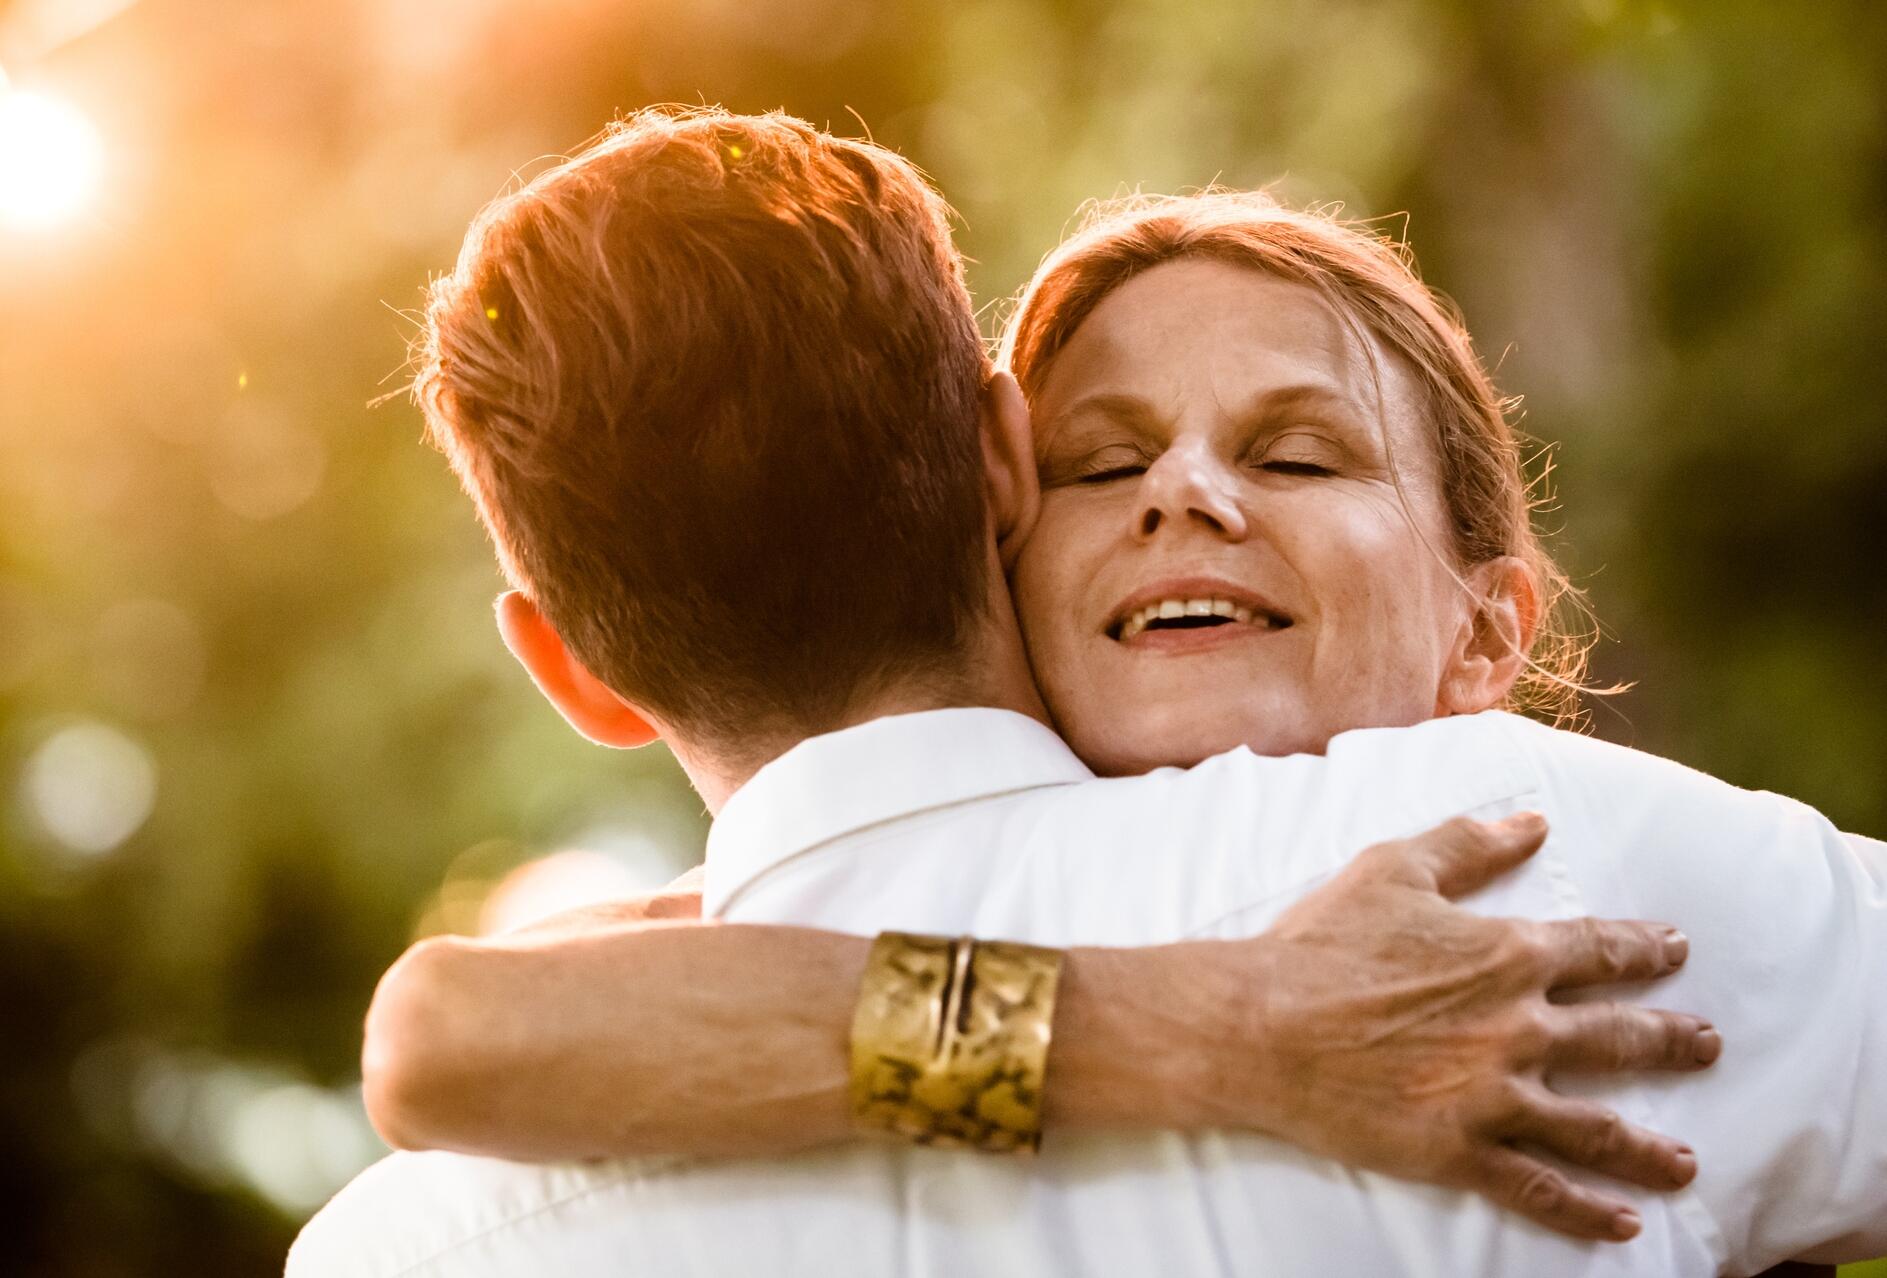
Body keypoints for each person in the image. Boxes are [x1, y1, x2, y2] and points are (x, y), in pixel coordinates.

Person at [289, 110, 1885, 1276]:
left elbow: (439, 1031)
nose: (1182, 496)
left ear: (570, 670)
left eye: (1299, 450)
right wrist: (1223, 1026)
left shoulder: (414, 1239)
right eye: (1103, 458)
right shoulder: (1513, 889)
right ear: (1001, 476)